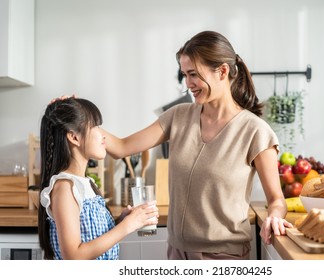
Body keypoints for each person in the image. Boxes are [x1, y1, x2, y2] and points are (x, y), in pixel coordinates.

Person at [76, 30, 291, 260]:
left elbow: (277, 200)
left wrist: (275, 216)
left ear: (223, 71)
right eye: (184, 75)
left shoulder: (255, 131)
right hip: (177, 253)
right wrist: (77, 114)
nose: (188, 83)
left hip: (224, 257)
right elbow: (121, 147)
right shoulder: (177, 116)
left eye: (194, 74)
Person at [38, 97, 159, 260]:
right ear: (74, 137)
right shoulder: (65, 188)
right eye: (95, 126)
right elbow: (74, 256)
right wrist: (127, 227)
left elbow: (91, 238)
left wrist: (119, 222)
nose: (104, 135)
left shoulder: (86, 183)